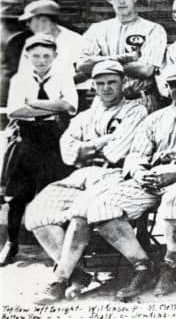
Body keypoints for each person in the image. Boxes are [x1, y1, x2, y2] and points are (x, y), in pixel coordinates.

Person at [83, 64, 176, 300]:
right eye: (174, 86)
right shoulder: (155, 117)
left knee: (174, 202)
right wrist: (139, 174)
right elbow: (137, 153)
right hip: (153, 175)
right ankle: (143, 266)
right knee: (100, 208)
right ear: (167, 89)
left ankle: (171, 267)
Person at [27, 61, 147, 304]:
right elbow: (67, 152)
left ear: (124, 83)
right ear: (93, 86)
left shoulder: (135, 111)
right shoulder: (85, 116)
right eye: (100, 83)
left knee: (82, 211)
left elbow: (117, 150)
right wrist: (98, 144)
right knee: (37, 212)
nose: (106, 88)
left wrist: (85, 148)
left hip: (115, 173)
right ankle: (77, 273)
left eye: (112, 82)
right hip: (81, 174)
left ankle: (59, 279)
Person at [1, 34, 78, 267]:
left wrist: (33, 103)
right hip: (26, 137)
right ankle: (12, 243)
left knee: (54, 192)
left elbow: (69, 105)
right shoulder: (19, 79)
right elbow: (14, 112)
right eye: (36, 56)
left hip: (54, 137)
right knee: (17, 195)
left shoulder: (63, 75)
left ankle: (60, 250)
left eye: (46, 55)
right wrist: (52, 105)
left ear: (54, 55)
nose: (41, 60)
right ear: (27, 56)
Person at [76, 0, 167, 114]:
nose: (122, 1)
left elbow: (145, 70)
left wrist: (101, 63)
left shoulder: (153, 29)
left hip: (140, 99)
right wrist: (126, 58)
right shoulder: (97, 29)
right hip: (104, 101)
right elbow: (82, 64)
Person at [16, 0, 86, 89]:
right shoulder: (31, 42)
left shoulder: (75, 41)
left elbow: (85, 73)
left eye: (29, 20)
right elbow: (23, 73)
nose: (27, 24)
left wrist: (59, 84)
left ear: (43, 21)